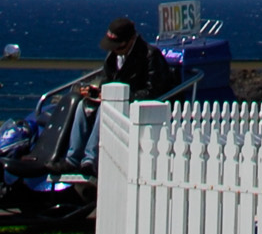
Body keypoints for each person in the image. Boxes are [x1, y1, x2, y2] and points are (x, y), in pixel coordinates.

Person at [62, 16, 177, 172]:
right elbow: (107, 80)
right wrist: (95, 92)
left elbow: (153, 91)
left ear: (131, 40)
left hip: (138, 106)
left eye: (118, 46)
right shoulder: (114, 57)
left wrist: (124, 98)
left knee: (106, 109)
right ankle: (72, 158)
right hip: (114, 100)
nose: (114, 50)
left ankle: (90, 158)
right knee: (83, 105)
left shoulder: (150, 55)